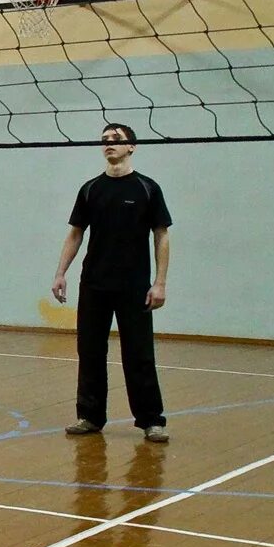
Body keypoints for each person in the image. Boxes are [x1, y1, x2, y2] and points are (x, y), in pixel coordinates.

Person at [52, 122, 171, 442]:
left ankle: (151, 420)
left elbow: (161, 235)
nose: (109, 144)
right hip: (93, 284)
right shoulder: (91, 189)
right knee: (89, 351)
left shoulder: (147, 188)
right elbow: (75, 233)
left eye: (116, 139)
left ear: (132, 146)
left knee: (139, 354)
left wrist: (159, 283)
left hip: (134, 286)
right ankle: (90, 416)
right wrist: (60, 272)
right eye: (104, 140)